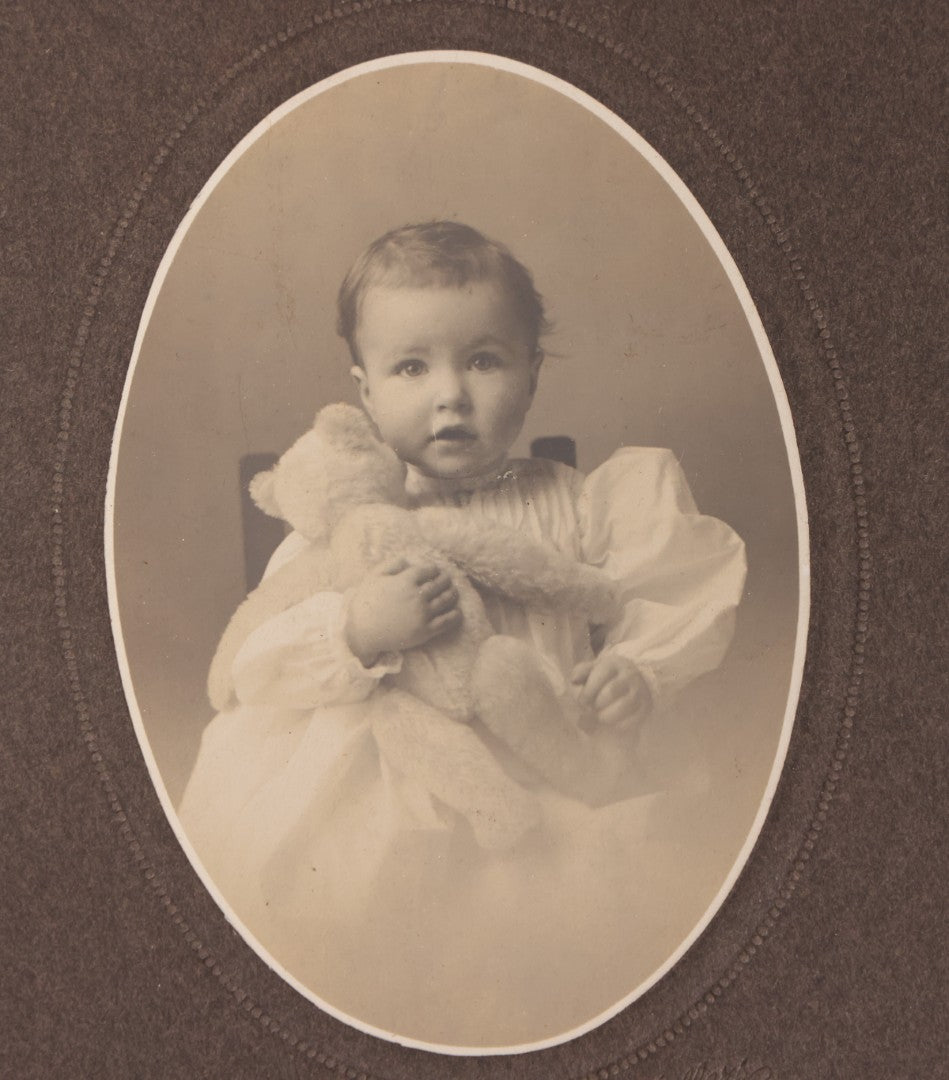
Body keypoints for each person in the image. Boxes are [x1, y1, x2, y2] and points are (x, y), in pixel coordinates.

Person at [179, 221, 747, 1046]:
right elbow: (253, 666)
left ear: (532, 373)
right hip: (398, 780)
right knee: (359, 893)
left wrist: (634, 672)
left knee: (604, 909)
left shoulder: (581, 501)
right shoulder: (344, 525)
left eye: (483, 359)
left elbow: (653, 598)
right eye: (411, 367)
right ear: (365, 391)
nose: (450, 394)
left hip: (554, 764)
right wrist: (356, 629)